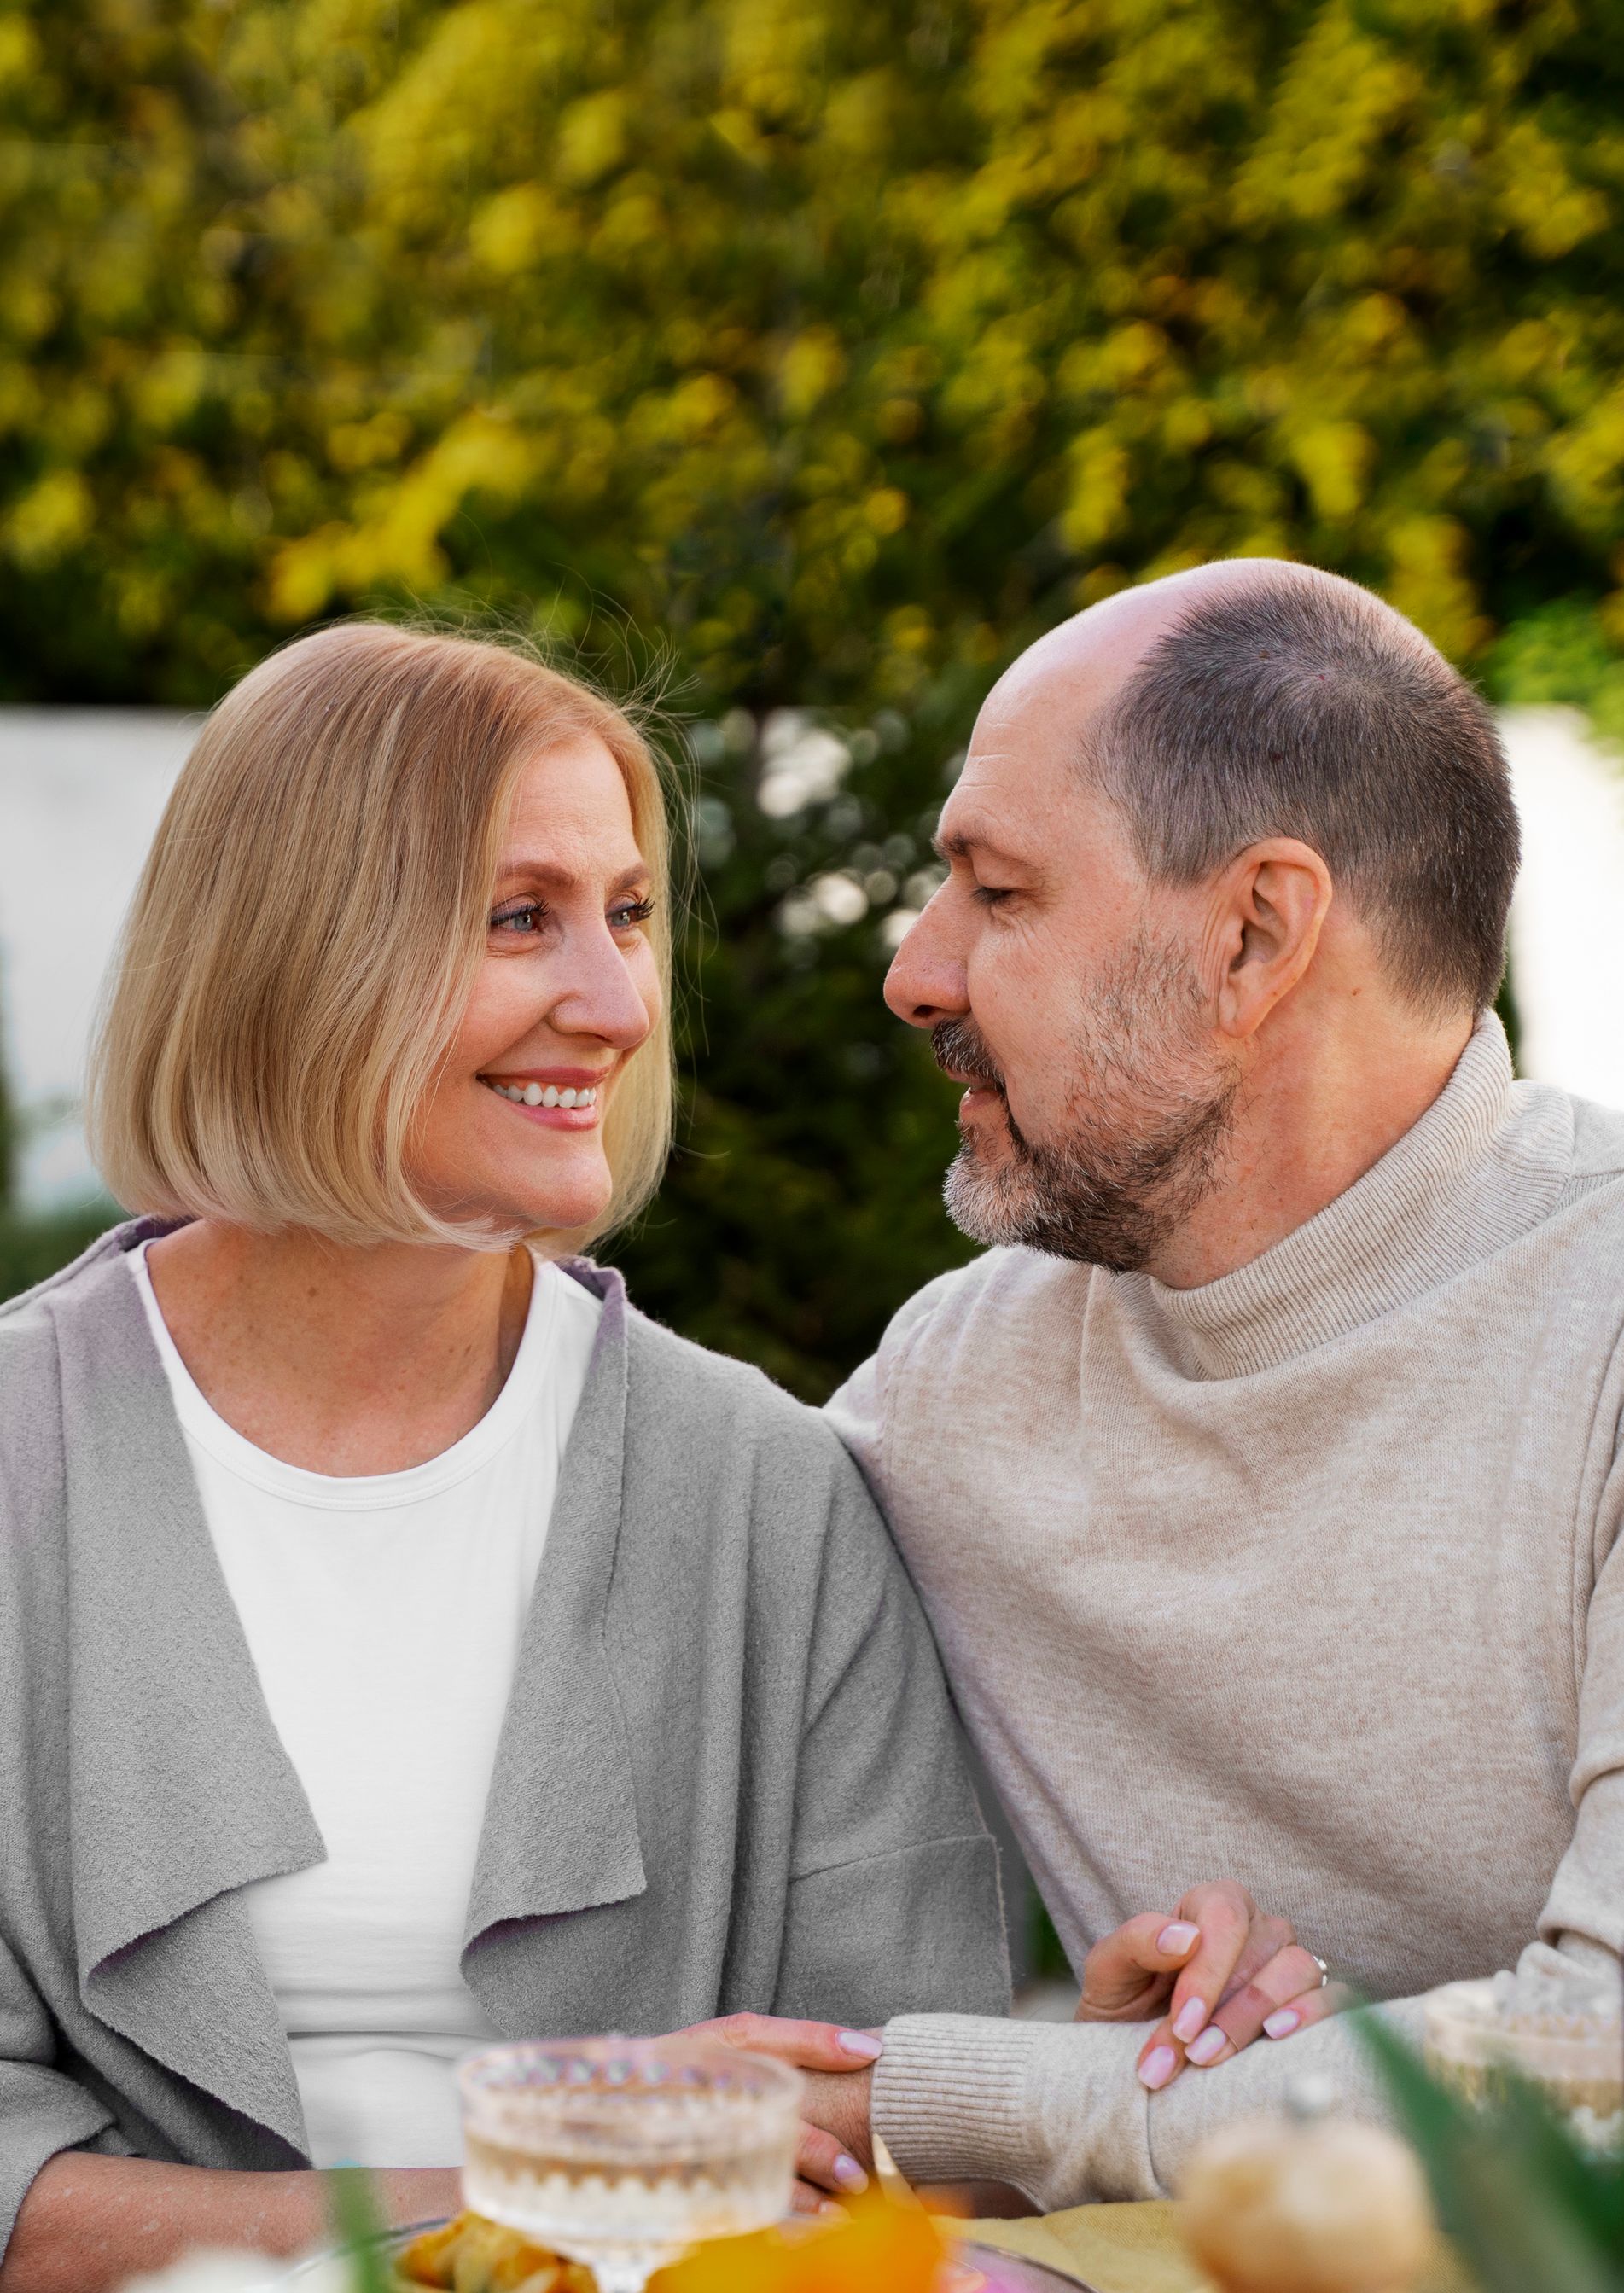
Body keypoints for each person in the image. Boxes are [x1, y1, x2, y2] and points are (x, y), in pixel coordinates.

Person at [0, 624, 1016, 2293]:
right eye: (519, 918)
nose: (616, 1005)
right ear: (292, 953)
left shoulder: (768, 1498)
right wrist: (560, 2162)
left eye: (629, 913)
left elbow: (922, 2143)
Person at [818, 559, 1624, 2205]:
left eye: (999, 893)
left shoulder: (1612, 1325)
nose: (916, 971)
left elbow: (1600, 2075)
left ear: (1254, 934)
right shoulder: (950, 1395)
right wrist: (1134, 2063)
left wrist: (954, 2099)